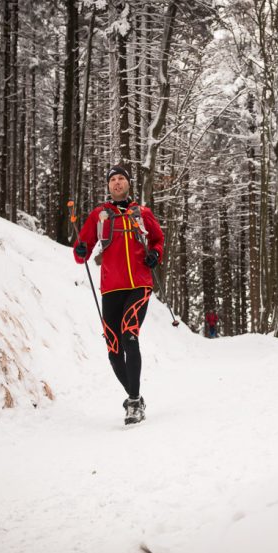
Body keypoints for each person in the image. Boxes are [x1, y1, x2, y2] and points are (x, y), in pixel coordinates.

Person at [73, 165, 164, 425]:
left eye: (121, 178)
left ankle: (133, 403)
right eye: (112, 179)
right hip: (111, 287)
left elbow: (158, 240)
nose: (117, 182)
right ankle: (135, 396)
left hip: (139, 283)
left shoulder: (142, 213)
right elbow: (83, 249)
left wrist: (155, 255)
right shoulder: (99, 216)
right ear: (108, 186)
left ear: (128, 183)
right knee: (113, 349)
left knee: (129, 335)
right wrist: (80, 251)